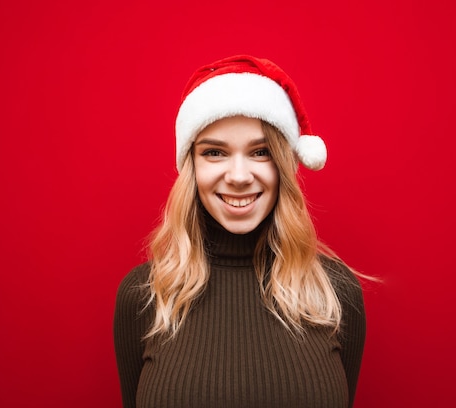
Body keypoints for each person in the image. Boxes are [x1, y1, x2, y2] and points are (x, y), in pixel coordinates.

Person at [114, 55, 366, 408]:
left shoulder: (335, 292)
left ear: (284, 165)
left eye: (260, 152)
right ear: (191, 168)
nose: (238, 175)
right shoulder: (145, 295)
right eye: (215, 152)